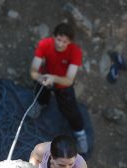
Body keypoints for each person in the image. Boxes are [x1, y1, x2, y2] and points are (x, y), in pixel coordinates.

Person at [30, 22, 88, 154]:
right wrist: (40, 78)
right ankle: (41, 103)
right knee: (40, 93)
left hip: (62, 84)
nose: (60, 44)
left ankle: (80, 133)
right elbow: (33, 71)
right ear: (53, 36)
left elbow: (69, 80)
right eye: (58, 39)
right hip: (45, 79)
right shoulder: (44, 44)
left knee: (70, 110)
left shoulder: (75, 52)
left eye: (64, 41)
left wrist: (53, 78)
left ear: (70, 42)